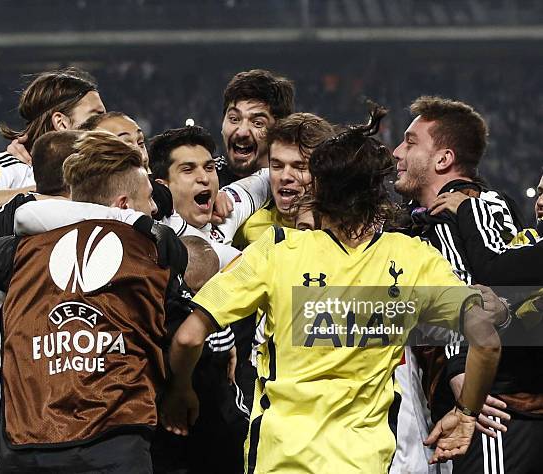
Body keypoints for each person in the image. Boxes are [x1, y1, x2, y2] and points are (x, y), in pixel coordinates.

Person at [161, 104, 503, 473]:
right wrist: (467, 413)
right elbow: (486, 339)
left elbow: (188, 338)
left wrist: (180, 390)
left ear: (319, 190)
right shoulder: (411, 258)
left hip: (280, 459)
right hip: (364, 462)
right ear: (377, 193)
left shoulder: (276, 251)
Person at [0, 131, 184, 473]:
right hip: (117, 441)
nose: (154, 208)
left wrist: (21, 208)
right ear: (122, 204)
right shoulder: (150, 252)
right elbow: (184, 333)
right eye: (149, 198)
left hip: (28, 439)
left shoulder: (24, 249)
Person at [0, 68, 105, 460]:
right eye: (93, 117)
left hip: (36, 370)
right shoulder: (3, 168)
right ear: (62, 121)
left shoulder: (91, 186)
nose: (103, 124)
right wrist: (39, 194)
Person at [392, 96, 539, 473]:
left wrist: (462, 370)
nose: (396, 152)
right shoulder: (427, 220)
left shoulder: (470, 206)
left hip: (490, 407)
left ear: (443, 159)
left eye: (410, 142)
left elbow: (472, 290)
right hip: (458, 408)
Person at [234, 112, 334, 246]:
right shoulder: (249, 228)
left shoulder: (351, 231)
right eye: (277, 166)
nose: (285, 177)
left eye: (299, 167)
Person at [217, 69, 294, 187]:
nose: (242, 132)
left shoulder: (293, 187)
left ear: (279, 132)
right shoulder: (204, 179)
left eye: (257, 123)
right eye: (234, 119)